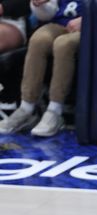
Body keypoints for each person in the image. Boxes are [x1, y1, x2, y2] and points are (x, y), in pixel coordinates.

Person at [0, 0, 82, 136]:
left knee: (63, 44)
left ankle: (55, 111)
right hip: (60, 23)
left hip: (92, 23)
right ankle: (27, 108)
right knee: (39, 40)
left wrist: (89, 18)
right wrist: (40, 5)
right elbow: (47, 14)